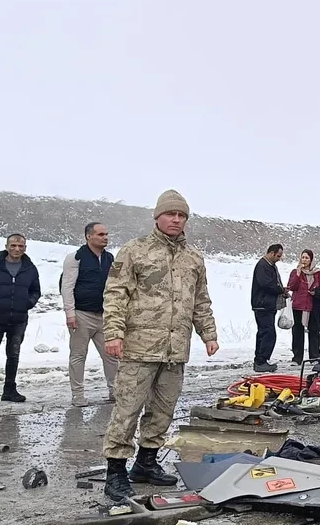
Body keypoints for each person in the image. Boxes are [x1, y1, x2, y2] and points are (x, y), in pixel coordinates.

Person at [101, 190, 218, 502]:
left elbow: (200, 300)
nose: (176, 220)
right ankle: (115, 472)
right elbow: (116, 294)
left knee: (163, 410)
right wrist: (113, 333)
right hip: (139, 346)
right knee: (127, 409)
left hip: (175, 349)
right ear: (157, 217)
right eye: (170, 214)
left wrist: (208, 334)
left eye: (181, 215)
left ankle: (146, 463)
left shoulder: (194, 258)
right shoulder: (135, 250)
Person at [0, 234, 41, 405]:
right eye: (13, 245)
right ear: (6, 247)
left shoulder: (30, 268)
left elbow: (36, 291)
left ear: (25, 248)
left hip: (19, 319)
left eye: (20, 246)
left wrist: (28, 303)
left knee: (13, 355)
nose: (17, 249)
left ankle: (10, 390)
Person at [62, 222, 119, 406]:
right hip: (81, 314)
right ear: (89, 236)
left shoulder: (110, 258)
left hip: (104, 315)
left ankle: (115, 391)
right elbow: (67, 287)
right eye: (101, 234)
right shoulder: (75, 258)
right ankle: (77, 395)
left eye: (106, 234)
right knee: (78, 356)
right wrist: (70, 313)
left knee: (111, 355)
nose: (105, 238)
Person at [286, 250, 320, 365]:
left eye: (307, 258)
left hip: (313, 306)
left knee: (314, 332)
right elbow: (291, 286)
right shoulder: (295, 272)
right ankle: (297, 358)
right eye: (303, 257)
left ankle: (314, 357)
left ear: (311, 260)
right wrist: (298, 274)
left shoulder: (318, 274)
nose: (304, 260)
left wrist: (316, 292)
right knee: (297, 333)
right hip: (298, 306)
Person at [251, 243, 286, 372]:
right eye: (278, 256)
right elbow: (266, 284)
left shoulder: (270, 266)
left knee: (264, 332)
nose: (279, 259)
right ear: (271, 253)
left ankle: (260, 360)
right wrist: (280, 290)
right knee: (268, 333)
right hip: (263, 305)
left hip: (267, 305)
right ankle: (261, 361)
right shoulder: (262, 266)